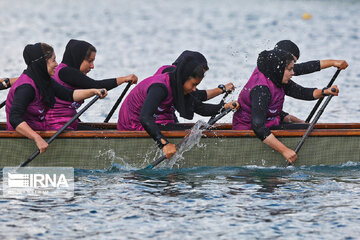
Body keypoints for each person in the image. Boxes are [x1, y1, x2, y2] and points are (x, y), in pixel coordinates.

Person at [118, 52, 239, 159]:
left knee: (194, 130)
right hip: (132, 126)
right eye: (193, 84)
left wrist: (225, 107)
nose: (194, 89)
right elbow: (145, 117)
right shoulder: (160, 87)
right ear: (184, 77)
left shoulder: (178, 85)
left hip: (148, 122)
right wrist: (164, 144)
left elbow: (200, 108)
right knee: (192, 132)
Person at [232, 49, 339, 164]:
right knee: (309, 130)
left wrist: (325, 92)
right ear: (279, 69)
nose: (293, 73)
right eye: (290, 69)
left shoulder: (276, 78)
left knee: (308, 128)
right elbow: (258, 127)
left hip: (268, 125)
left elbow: (302, 92)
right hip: (248, 131)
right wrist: (285, 151)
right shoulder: (262, 90)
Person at [6, 42, 107, 154]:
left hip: (41, 129)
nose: (56, 64)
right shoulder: (26, 88)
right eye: (53, 60)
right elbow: (15, 119)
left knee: (99, 135)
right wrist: (37, 139)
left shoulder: (44, 80)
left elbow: (69, 95)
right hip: (22, 138)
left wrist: (93, 91)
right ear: (42, 63)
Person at [45, 39, 138, 130]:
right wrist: (124, 79)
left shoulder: (67, 73)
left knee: (99, 132)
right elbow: (96, 85)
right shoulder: (66, 72)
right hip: (56, 126)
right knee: (102, 138)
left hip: (67, 122)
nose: (92, 66)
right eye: (89, 61)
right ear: (78, 58)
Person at [152, 50, 235, 124]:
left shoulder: (177, 77)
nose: (200, 76)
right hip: (155, 121)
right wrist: (224, 103)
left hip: (167, 117)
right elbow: (199, 106)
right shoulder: (170, 75)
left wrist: (222, 90)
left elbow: (196, 95)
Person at [274, 40, 348, 76]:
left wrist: (333, 62)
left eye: (294, 62)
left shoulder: (281, 72)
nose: (292, 66)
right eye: (292, 61)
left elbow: (304, 67)